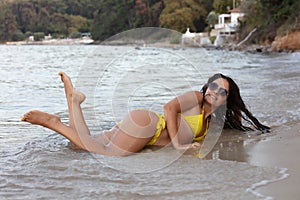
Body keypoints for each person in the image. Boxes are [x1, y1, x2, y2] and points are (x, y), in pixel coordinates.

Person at [21, 72, 270, 156]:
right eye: (212, 86)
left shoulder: (212, 120)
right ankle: (54, 123)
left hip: (143, 131)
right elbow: (169, 108)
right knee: (106, 154)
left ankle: (73, 100)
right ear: (206, 88)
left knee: (82, 145)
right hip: (147, 124)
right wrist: (178, 144)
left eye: (221, 91)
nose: (214, 92)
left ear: (227, 99)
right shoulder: (195, 97)